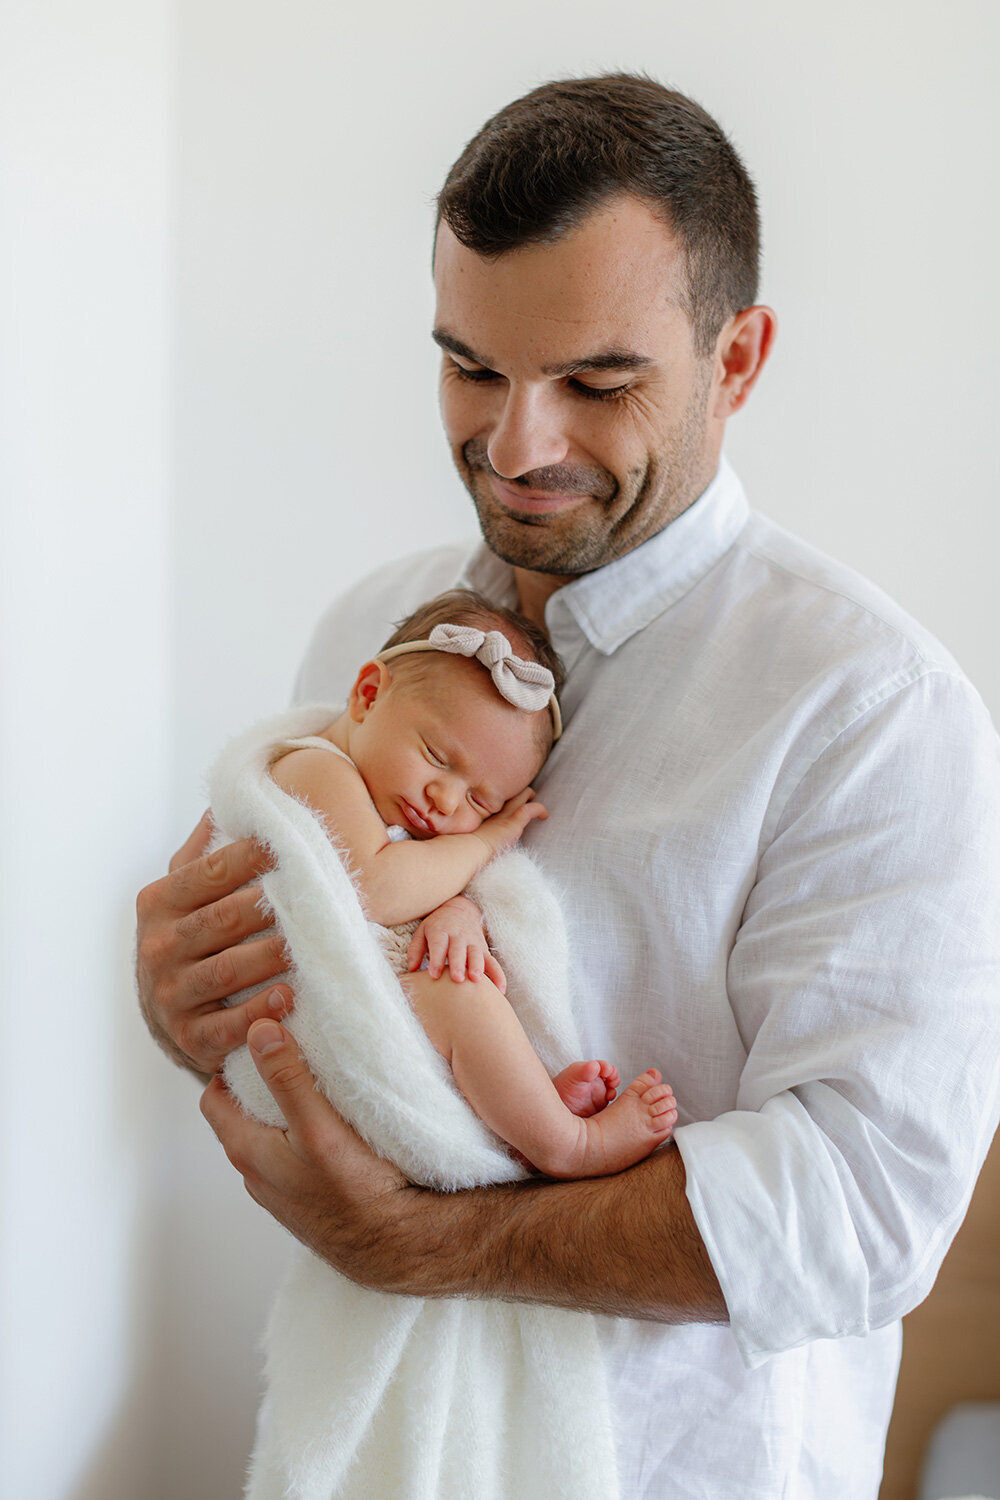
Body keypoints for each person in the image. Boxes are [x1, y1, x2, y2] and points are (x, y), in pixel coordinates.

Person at [137, 74, 1000, 1498]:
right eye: (471, 367)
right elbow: (329, 993)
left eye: (596, 384)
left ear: (737, 360)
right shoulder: (368, 633)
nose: (516, 445)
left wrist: (432, 1246)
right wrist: (192, 1001)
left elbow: (862, 1210)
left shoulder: (872, 712)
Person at [247, 586, 677, 1178]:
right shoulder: (315, 767)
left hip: (379, 1010)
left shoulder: (393, 803)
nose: (446, 801)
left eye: (481, 800)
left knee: (464, 977)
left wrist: (461, 911)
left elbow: (418, 889)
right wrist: (483, 840)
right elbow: (377, 888)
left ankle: (515, 1114)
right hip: (314, 1024)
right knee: (459, 994)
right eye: (436, 756)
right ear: (368, 695)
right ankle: (568, 1144)